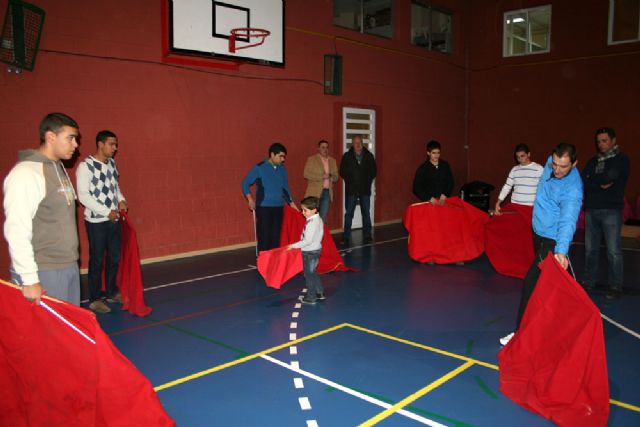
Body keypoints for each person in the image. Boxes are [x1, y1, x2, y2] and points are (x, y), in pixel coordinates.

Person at [501, 143, 583, 346]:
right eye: (554, 164)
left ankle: (520, 335)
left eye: (563, 166)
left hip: (552, 242)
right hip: (537, 234)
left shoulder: (572, 190)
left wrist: (561, 251)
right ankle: (562, 331)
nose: (557, 170)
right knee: (553, 288)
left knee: (531, 284)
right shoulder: (550, 164)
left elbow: (568, 221)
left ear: (574, 164)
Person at [3, 112, 80, 305]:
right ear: (50, 137)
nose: (75, 145)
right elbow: (16, 229)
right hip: (44, 269)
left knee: (68, 333)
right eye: (70, 138)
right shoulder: (26, 173)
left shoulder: (59, 168)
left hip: (68, 265)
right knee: (50, 334)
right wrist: (29, 279)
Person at [76, 130, 128, 314]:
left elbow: (115, 187)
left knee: (114, 257)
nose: (115, 148)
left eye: (116, 144)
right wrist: (107, 212)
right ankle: (95, 298)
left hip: (113, 220)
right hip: (96, 222)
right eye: (111, 144)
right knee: (97, 260)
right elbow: (83, 196)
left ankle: (112, 292)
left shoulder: (112, 163)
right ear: (100, 144)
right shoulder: (86, 166)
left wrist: (121, 199)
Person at [581, 127, 630, 299]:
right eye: (598, 141)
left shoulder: (622, 160)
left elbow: (610, 178)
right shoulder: (593, 161)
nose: (600, 144)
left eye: (604, 141)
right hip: (592, 209)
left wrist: (595, 181)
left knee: (613, 251)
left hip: (611, 210)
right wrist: (598, 185)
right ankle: (588, 282)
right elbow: (584, 180)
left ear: (613, 140)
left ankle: (615, 286)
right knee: (590, 250)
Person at [242, 143, 296, 252]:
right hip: (264, 208)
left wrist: (292, 203)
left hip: (279, 207)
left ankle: (274, 261)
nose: (283, 159)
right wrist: (250, 199)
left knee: (275, 237)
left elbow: (285, 188)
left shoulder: (282, 169)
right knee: (265, 237)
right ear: (272, 154)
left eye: (284, 157)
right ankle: (263, 261)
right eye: (280, 156)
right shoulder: (260, 167)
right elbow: (245, 183)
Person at [339, 135, 377, 245]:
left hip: (365, 190)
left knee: (366, 213)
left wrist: (366, 181)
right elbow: (342, 171)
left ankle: (367, 236)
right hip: (351, 190)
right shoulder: (346, 156)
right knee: (349, 214)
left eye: (359, 142)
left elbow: (374, 171)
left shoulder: (369, 156)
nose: (358, 144)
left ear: (362, 143)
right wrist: (351, 180)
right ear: (352, 143)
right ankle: (345, 236)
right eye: (355, 142)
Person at [288, 196, 325, 305]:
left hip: (309, 252)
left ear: (314, 210)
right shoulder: (317, 219)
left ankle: (311, 297)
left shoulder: (312, 223)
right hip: (316, 250)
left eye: (305, 210)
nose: (303, 212)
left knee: (309, 275)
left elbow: (307, 241)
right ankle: (319, 292)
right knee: (313, 273)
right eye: (302, 210)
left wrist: (293, 246)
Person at [494, 144, 544, 214]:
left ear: (528, 154)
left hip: (531, 208)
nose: (520, 159)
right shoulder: (514, 170)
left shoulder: (539, 169)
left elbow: (545, 188)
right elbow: (507, 187)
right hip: (515, 207)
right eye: (518, 157)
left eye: (522, 156)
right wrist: (498, 202)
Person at [303, 139, 338, 222]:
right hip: (314, 192)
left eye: (326, 147)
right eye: (323, 147)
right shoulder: (312, 159)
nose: (325, 149)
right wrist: (322, 176)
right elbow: (306, 174)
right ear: (318, 148)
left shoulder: (332, 161)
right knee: (312, 218)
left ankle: (320, 234)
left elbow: (336, 176)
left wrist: (331, 177)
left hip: (327, 192)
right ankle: (311, 234)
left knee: (323, 217)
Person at [412, 140, 453, 204]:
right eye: (434, 153)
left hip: (443, 201)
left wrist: (445, 194)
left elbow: (450, 182)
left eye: (438, 153)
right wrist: (429, 198)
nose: (436, 155)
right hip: (430, 202)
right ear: (428, 153)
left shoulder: (445, 165)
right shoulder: (423, 169)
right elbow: (416, 188)